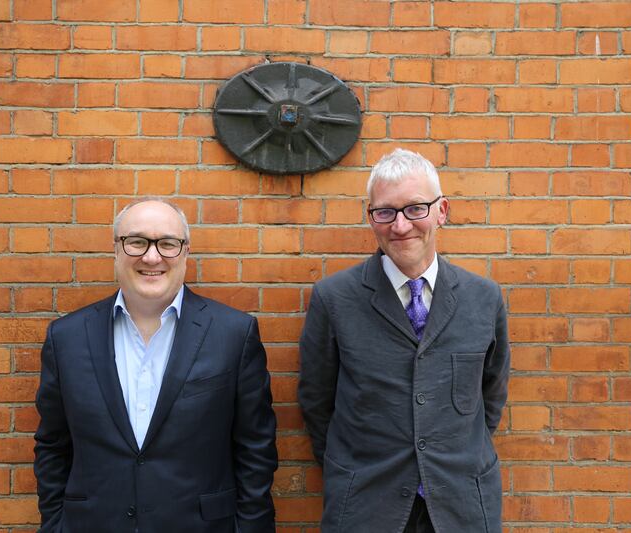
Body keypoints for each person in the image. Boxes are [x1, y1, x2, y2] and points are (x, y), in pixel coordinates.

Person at [34, 198, 278, 533]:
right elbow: (52, 445)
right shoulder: (67, 337)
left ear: (186, 252)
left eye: (167, 243)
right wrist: (55, 525)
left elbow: (256, 450)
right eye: (136, 242)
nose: (152, 257)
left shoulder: (233, 334)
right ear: (117, 250)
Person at [298, 149, 510, 533]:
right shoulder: (335, 299)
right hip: (366, 504)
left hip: (459, 504)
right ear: (371, 218)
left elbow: (490, 394)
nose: (400, 226)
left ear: (442, 211)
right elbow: (317, 400)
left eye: (415, 209)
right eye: (385, 212)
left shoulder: (484, 298)